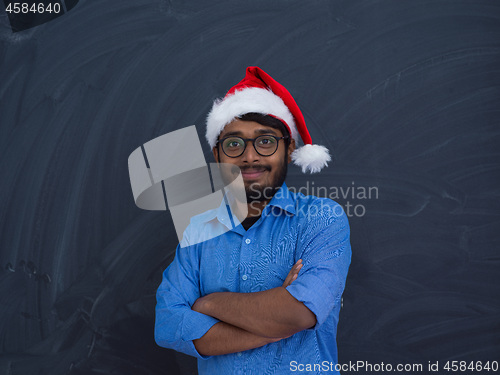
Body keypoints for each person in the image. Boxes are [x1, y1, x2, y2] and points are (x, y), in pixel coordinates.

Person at [155, 66, 351, 374]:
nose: (249, 157)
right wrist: (273, 319)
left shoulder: (321, 218)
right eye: (234, 144)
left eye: (266, 142)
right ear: (217, 154)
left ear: (289, 149)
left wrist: (209, 304)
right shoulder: (198, 231)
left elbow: (299, 314)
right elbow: (168, 325)